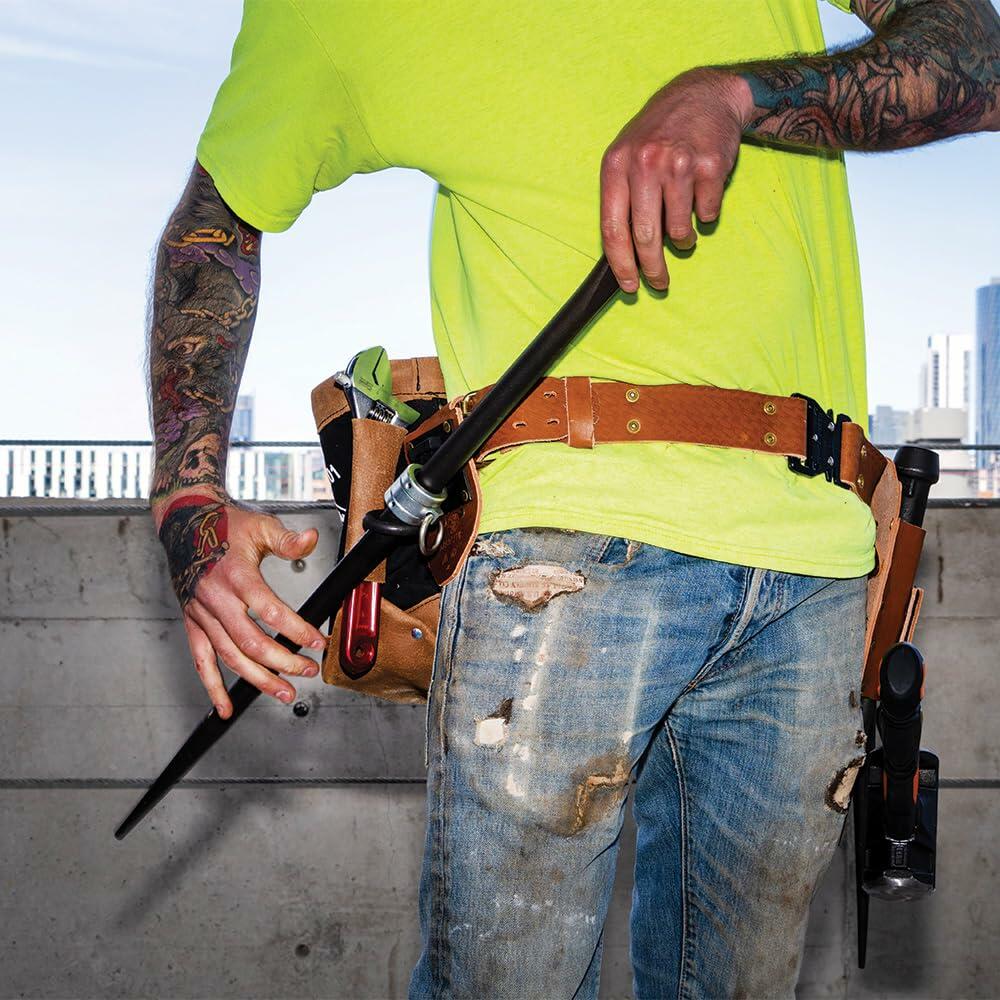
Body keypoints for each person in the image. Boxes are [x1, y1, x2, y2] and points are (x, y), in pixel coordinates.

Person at [147, 1, 999, 995]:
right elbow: (216, 222)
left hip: (810, 552)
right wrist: (186, 490)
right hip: (557, 566)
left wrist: (737, 94)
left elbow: (974, 54)